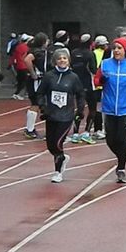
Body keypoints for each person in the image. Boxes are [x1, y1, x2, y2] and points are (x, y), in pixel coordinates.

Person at [93, 37, 126, 184]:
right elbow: (96, 80)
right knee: (110, 140)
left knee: (121, 139)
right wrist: (100, 81)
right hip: (109, 108)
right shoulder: (105, 65)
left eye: (119, 48)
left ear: (125, 50)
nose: (116, 50)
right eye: (114, 48)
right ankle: (122, 156)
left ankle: (121, 167)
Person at [37, 48, 85, 182]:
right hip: (51, 115)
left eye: (65, 58)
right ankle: (62, 157)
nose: (62, 60)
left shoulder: (73, 77)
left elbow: (80, 94)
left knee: (58, 143)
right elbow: (40, 93)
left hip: (66, 116)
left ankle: (58, 172)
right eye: (59, 58)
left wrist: (80, 110)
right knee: (50, 145)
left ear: (69, 61)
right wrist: (43, 106)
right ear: (55, 61)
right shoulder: (49, 76)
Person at [70, 33, 97, 144]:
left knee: (79, 109)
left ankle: (75, 133)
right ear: (90, 43)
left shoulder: (74, 53)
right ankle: (86, 132)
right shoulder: (90, 54)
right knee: (92, 109)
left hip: (76, 84)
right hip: (88, 85)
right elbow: (93, 70)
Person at [23, 32, 51, 138]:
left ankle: (30, 128)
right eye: (47, 40)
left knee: (38, 104)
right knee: (35, 103)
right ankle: (29, 129)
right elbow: (27, 60)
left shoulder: (40, 51)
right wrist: (33, 73)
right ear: (43, 42)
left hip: (39, 80)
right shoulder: (36, 52)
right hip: (35, 81)